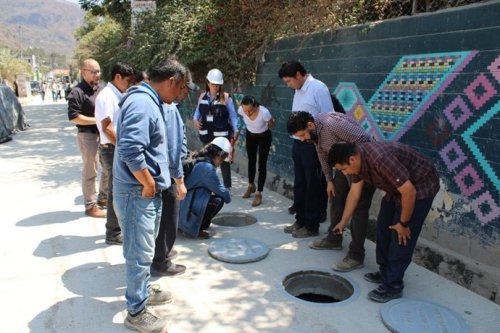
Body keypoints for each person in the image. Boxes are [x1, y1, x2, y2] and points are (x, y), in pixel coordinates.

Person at [113, 59, 188, 332]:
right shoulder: (143, 103)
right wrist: (146, 183)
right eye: (179, 88)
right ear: (170, 81)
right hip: (136, 193)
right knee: (139, 252)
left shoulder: (151, 102)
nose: (179, 95)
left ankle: (143, 291)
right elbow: (131, 149)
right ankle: (136, 311)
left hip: (144, 192)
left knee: (144, 249)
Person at [328, 141, 439, 302]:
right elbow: (354, 194)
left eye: (343, 169)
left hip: (419, 187)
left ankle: (393, 285)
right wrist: (343, 221)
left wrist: (404, 224)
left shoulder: (380, 159)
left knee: (400, 236)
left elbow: (409, 192)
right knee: (383, 226)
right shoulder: (358, 162)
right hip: (395, 189)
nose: (345, 173)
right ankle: (385, 271)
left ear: (351, 159)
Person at [287, 111, 375, 272]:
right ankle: (334, 239)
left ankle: (356, 255)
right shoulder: (314, 135)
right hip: (342, 168)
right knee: (335, 197)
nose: (302, 139)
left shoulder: (332, 125)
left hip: (360, 167)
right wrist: (329, 180)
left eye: (302, 135)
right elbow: (322, 154)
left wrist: (355, 168)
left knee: (358, 209)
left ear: (310, 125)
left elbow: (364, 140)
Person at [151, 69, 199, 277]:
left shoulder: (169, 106)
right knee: (169, 217)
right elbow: (171, 147)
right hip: (168, 173)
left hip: (166, 170)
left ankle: (162, 251)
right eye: (183, 88)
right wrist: (178, 178)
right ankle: (162, 260)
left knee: (165, 217)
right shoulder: (168, 108)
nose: (186, 93)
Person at [278, 60, 332, 238]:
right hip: (298, 143)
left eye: (289, 81)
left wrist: (319, 143)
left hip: (312, 144)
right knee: (300, 183)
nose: (288, 85)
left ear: (299, 75)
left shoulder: (318, 88)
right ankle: (300, 219)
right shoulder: (298, 90)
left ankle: (312, 224)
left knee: (312, 185)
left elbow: (329, 118)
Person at [94, 62, 135, 245]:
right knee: (115, 192)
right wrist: (125, 146)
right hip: (111, 149)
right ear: (117, 77)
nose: (129, 84)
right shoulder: (107, 96)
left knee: (118, 190)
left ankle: (117, 228)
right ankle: (112, 232)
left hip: (115, 148)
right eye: (127, 80)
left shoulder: (116, 94)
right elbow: (108, 128)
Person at [67, 58, 106, 218]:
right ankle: (90, 206)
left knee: (108, 168)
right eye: (93, 71)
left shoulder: (100, 90)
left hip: (103, 135)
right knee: (91, 171)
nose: (97, 74)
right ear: (84, 72)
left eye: (98, 71)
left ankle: (103, 198)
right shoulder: (77, 92)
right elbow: (74, 117)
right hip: (88, 135)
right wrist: (97, 120)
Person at [192, 68, 238, 190]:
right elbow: (197, 113)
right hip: (207, 135)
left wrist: (236, 129)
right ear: (208, 83)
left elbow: (233, 115)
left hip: (222, 137)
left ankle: (227, 187)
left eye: (218, 85)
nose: (216, 87)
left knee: (224, 161)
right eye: (213, 84)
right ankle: (210, 185)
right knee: (208, 161)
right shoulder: (202, 96)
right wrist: (195, 121)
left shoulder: (226, 98)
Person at [178, 137, 232, 239]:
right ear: (218, 155)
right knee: (218, 200)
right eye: (222, 159)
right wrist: (227, 196)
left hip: (180, 203)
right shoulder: (207, 168)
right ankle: (192, 228)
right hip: (184, 204)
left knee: (209, 193)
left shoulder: (199, 157)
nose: (221, 162)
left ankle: (187, 224)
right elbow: (221, 191)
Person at [238, 95, 275, 207]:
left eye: (249, 111)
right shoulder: (241, 110)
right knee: (251, 160)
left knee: (262, 163)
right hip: (250, 135)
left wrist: (270, 121)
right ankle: (251, 185)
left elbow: (273, 125)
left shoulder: (264, 112)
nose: (247, 114)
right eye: (245, 111)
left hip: (264, 137)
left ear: (255, 106)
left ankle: (259, 192)